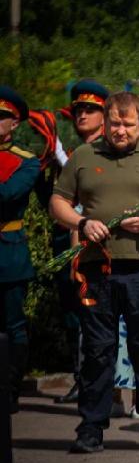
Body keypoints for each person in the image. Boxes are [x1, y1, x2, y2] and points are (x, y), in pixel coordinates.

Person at [50, 91, 139, 454]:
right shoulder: (84, 155)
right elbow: (58, 202)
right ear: (106, 122)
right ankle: (91, 428)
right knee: (98, 350)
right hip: (97, 267)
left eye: (129, 124)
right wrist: (83, 222)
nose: (120, 130)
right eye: (115, 122)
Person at [49, 80, 110, 405]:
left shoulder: (107, 152)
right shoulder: (73, 154)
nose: (82, 115)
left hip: (93, 244)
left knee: (96, 316)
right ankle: (80, 378)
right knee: (74, 315)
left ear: (104, 115)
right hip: (67, 239)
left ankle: (99, 387)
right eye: (78, 110)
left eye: (91, 109)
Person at [0, 87, 40, 410]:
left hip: (8, 252)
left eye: (1, 116)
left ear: (14, 123)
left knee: (13, 325)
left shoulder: (26, 163)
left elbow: (7, 195)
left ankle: (10, 388)